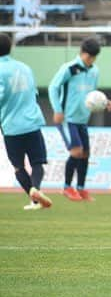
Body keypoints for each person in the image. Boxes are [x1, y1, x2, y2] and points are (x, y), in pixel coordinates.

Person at [48, 37, 111, 202]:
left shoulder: (94, 71)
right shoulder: (69, 69)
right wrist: (57, 110)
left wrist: (105, 102)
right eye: (89, 56)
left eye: (94, 57)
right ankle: (67, 187)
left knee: (85, 154)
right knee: (76, 152)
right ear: (82, 53)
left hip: (83, 119)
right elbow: (53, 87)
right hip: (67, 118)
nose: (91, 60)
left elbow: (93, 94)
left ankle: (81, 188)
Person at [0, 33, 52, 210]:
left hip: (11, 127)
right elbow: (34, 92)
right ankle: (36, 190)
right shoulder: (25, 67)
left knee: (18, 167)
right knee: (38, 163)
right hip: (32, 122)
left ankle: (34, 197)